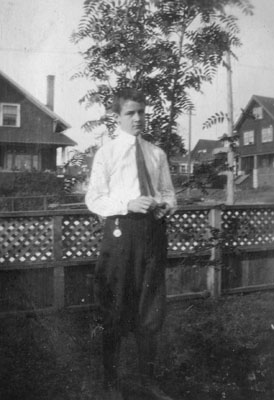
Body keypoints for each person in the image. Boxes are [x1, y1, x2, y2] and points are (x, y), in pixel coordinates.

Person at [85, 87, 177, 400]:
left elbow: (168, 192)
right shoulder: (107, 153)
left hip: (152, 236)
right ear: (116, 117)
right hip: (120, 236)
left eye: (141, 112)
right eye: (130, 113)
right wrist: (128, 203)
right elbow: (94, 198)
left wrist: (166, 205)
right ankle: (112, 383)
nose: (138, 118)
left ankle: (147, 381)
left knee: (150, 312)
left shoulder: (156, 153)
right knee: (114, 309)